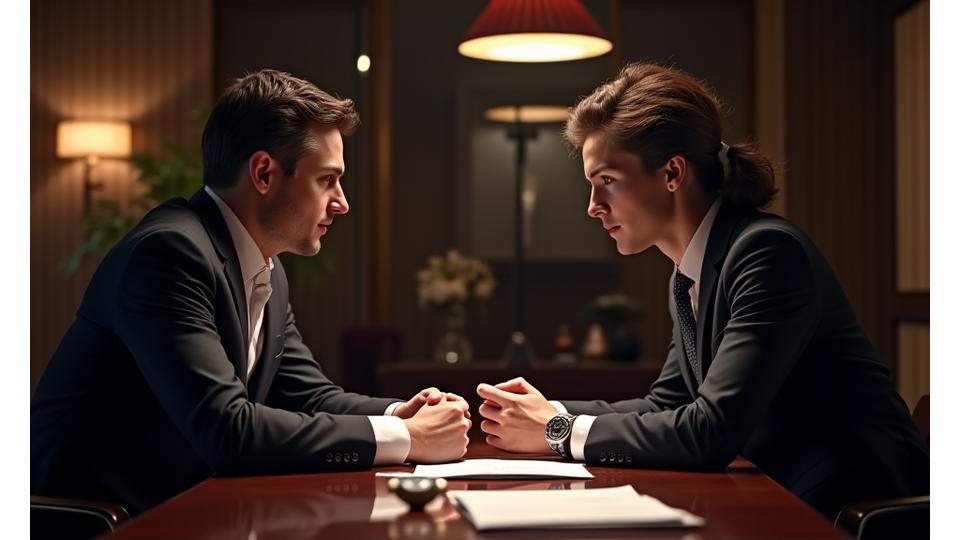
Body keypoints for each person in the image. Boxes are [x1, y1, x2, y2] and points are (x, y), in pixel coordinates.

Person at [476, 62, 929, 519]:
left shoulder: (767, 252)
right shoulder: (691, 270)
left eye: (607, 181)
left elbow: (709, 431)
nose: (593, 207)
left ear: (672, 173)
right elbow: (666, 404)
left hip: (851, 508)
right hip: (783, 491)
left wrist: (557, 428)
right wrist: (538, 408)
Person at [31, 69, 471, 515]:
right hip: (94, 518)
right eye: (327, 180)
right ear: (264, 173)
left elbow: (309, 396)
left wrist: (401, 414)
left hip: (181, 505)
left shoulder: (268, 268)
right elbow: (228, 431)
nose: (342, 202)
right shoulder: (168, 253)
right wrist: (409, 439)